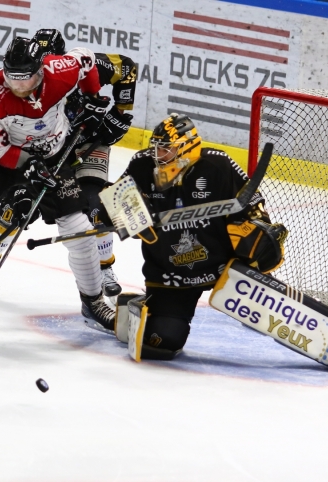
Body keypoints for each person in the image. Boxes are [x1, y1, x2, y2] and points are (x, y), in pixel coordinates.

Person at [0, 37, 115, 333]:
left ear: (40, 71)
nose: (18, 85)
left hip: (52, 155)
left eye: (25, 78)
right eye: (12, 77)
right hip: (5, 157)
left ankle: (93, 301)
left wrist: (92, 94)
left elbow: (86, 59)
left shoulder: (60, 70)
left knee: (77, 226)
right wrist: (28, 166)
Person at [0, 29, 137, 301]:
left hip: (88, 140)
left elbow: (127, 68)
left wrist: (119, 113)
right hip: (50, 146)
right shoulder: (29, 84)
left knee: (95, 204)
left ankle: (105, 268)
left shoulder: (70, 69)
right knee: (17, 204)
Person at [117, 113, 287, 360]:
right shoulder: (142, 165)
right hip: (171, 274)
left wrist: (256, 227)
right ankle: (142, 305)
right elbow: (115, 201)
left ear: (186, 148)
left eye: (165, 150)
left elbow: (253, 203)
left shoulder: (218, 165)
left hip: (226, 266)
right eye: (155, 149)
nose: (157, 156)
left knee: (278, 318)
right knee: (160, 343)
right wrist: (123, 216)